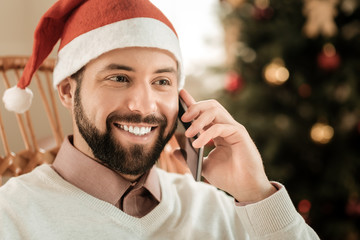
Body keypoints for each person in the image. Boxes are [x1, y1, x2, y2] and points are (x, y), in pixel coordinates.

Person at [0, 0, 320, 239]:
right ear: (68, 91)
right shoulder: (11, 216)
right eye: (119, 78)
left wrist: (258, 194)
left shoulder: (217, 209)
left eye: (162, 81)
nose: (144, 105)